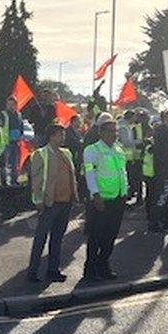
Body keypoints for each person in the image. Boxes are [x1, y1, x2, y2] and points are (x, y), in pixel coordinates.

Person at [27, 123, 77, 282]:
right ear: (52, 136)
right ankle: (33, 271)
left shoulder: (66, 153)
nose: (63, 137)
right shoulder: (40, 154)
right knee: (41, 237)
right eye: (60, 135)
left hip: (65, 202)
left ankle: (53, 270)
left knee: (57, 238)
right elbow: (36, 179)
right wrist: (38, 200)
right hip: (50, 203)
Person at [82, 113, 128, 281]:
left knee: (111, 235)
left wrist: (125, 190)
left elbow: (122, 172)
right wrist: (95, 195)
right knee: (96, 236)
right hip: (101, 200)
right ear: (100, 132)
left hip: (118, 198)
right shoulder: (92, 150)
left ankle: (103, 265)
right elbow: (90, 174)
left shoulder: (118, 149)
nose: (114, 134)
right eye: (110, 131)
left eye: (116, 131)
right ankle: (90, 269)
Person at [118, 110, 144, 205]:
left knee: (129, 180)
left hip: (128, 157)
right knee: (127, 180)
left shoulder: (126, 126)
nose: (135, 119)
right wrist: (138, 142)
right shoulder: (124, 127)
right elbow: (126, 142)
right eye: (134, 117)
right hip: (124, 157)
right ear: (130, 117)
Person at [0, 96, 25, 186]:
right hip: (6, 142)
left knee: (15, 163)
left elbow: (21, 126)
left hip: (16, 142)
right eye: (9, 104)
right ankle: (4, 182)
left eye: (13, 104)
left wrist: (21, 135)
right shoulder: (3, 114)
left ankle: (14, 180)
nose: (11, 106)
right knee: (5, 163)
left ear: (16, 105)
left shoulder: (19, 114)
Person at [65, 115, 86, 200]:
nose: (80, 123)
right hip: (72, 156)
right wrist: (80, 143)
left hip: (78, 157)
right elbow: (72, 142)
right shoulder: (68, 131)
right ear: (73, 121)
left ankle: (78, 195)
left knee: (78, 176)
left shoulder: (78, 131)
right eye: (78, 121)